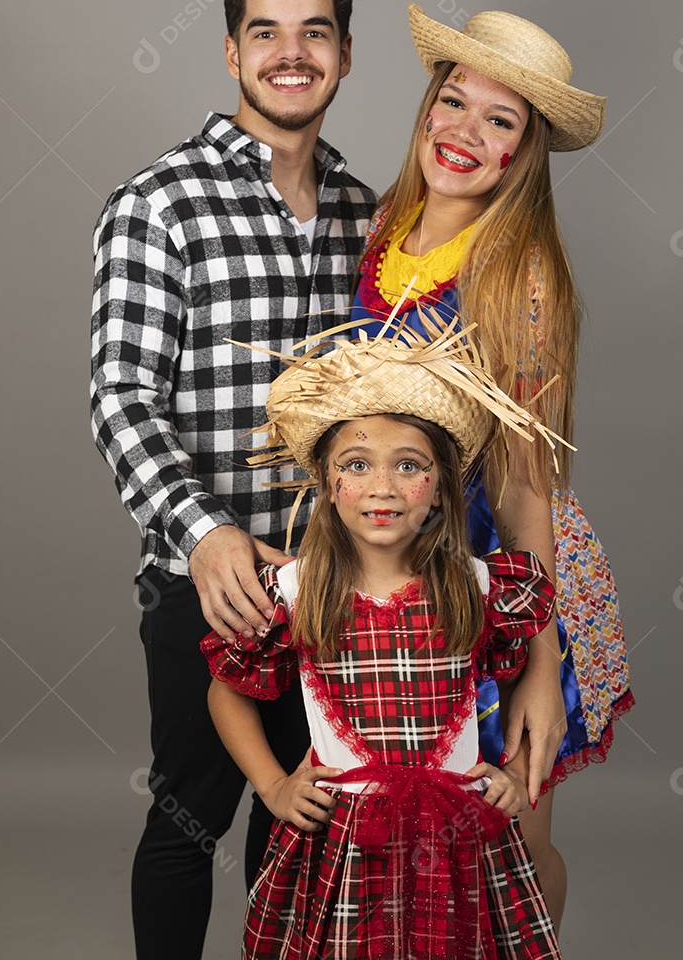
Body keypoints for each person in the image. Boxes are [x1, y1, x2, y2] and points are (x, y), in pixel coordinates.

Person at [90, 0, 377, 959]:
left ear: (346, 55)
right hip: (205, 585)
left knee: (302, 823)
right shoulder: (158, 204)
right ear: (230, 53)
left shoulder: (366, 216)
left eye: (315, 32)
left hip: (339, 586)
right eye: (267, 33)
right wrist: (205, 533)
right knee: (186, 820)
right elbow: (120, 399)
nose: (290, 53)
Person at [350, 5, 634, 927]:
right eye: (453, 100)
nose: (465, 131)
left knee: (515, 833)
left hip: (509, 574)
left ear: (524, 150)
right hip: (407, 563)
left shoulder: (521, 274)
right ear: (427, 106)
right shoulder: (387, 227)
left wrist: (539, 662)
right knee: (419, 826)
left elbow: (523, 484)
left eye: (500, 120)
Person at [202, 315, 563, 958]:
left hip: (456, 838)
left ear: (440, 489)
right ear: (327, 484)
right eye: (358, 464)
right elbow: (226, 692)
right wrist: (275, 785)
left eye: (409, 467)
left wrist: (508, 775)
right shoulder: (296, 591)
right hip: (346, 840)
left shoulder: (480, 588)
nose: (383, 488)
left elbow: (511, 693)